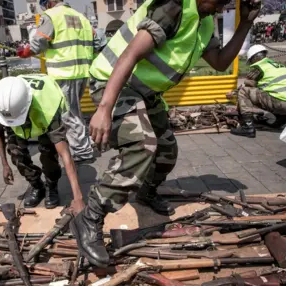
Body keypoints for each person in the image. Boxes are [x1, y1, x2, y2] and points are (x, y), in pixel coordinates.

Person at [69, 0, 262, 267]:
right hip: (114, 83)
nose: (221, 9)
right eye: (220, 2)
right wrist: (104, 109)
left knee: (166, 150)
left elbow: (219, 62)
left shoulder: (203, 20)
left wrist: (246, 23)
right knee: (142, 145)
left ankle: (146, 194)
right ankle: (89, 218)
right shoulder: (174, 6)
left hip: (145, 92)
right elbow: (130, 54)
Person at [0, 74, 85, 211]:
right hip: (18, 110)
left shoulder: (48, 108)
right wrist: (4, 164)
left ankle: (51, 186)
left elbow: (65, 154)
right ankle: (37, 186)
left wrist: (78, 197)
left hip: (42, 114)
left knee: (49, 153)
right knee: (16, 153)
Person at [17, 0, 98, 163]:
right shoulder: (80, 17)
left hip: (63, 73)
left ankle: (83, 152)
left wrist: (24, 52)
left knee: (69, 113)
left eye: (45, 4)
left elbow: (38, 43)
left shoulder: (52, 15)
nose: (45, 8)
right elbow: (94, 40)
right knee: (73, 110)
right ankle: (82, 144)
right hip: (82, 72)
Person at [230, 45, 286, 138]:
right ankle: (282, 119)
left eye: (251, 60)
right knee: (269, 93)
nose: (251, 62)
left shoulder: (259, 67)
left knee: (244, 91)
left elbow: (248, 87)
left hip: (280, 103)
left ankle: (248, 127)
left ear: (255, 57)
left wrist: (234, 93)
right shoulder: (277, 65)